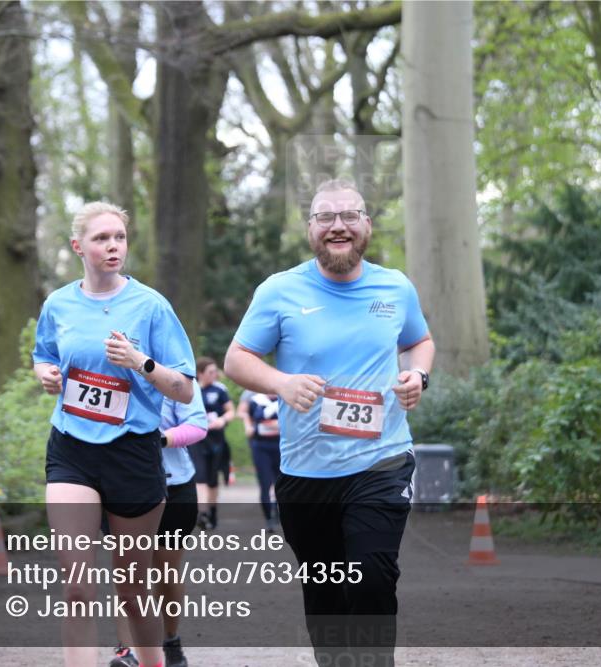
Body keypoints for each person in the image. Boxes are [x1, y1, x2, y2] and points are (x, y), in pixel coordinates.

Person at [224, 179, 434, 667]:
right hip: (306, 473)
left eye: (349, 216)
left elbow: (419, 342)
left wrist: (418, 375)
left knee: (372, 576)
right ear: (311, 229)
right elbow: (237, 359)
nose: (338, 226)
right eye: (325, 217)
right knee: (326, 593)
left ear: (367, 225)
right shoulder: (279, 290)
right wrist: (280, 382)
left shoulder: (395, 286)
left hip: (381, 461)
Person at [33, 201, 195, 667]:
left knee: (132, 589)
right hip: (72, 451)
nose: (113, 246)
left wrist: (141, 363)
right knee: (77, 586)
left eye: (119, 237)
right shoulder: (58, 304)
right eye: (101, 238)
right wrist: (45, 373)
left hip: (132, 454)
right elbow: (44, 354)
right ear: (77, 246)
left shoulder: (151, 306)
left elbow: (184, 390)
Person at [110, 382, 208, 667]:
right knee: (129, 572)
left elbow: (197, 426)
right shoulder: (109, 372)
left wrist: (158, 439)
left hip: (173, 484)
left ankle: (170, 640)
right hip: (124, 482)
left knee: (166, 572)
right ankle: (127, 651)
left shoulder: (176, 374)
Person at [190, 357, 234, 530]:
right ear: (200, 373)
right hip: (197, 438)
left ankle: (212, 510)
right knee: (199, 475)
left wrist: (222, 420)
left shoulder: (219, 389)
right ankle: (202, 513)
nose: (214, 374)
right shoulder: (191, 388)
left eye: (215, 371)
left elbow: (231, 411)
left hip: (216, 439)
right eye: (210, 372)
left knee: (212, 479)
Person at [239, 390, 282, 531]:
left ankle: (277, 511)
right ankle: (268, 518)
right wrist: (248, 426)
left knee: (280, 483)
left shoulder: (284, 399)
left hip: (280, 447)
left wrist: (277, 425)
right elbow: (245, 415)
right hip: (261, 447)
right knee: (265, 483)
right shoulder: (256, 401)